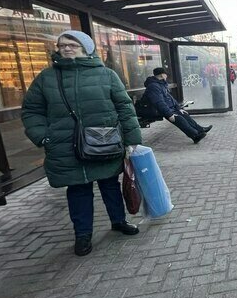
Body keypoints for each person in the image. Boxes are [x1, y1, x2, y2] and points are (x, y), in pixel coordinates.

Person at [21, 30, 142, 256]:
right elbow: (31, 110)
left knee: (110, 185)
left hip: (104, 142)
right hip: (66, 145)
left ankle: (119, 221)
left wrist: (132, 140)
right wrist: (42, 136)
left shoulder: (106, 75)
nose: (66, 48)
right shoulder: (47, 78)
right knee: (78, 190)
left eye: (72, 44)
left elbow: (125, 108)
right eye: (62, 45)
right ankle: (83, 235)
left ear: (86, 48)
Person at [143, 67, 212, 143]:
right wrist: (169, 114)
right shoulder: (153, 86)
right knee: (179, 119)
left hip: (169, 108)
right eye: (166, 74)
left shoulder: (161, 84)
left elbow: (170, 98)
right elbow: (159, 103)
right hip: (158, 110)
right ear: (162, 75)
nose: (166, 76)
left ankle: (200, 130)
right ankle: (195, 136)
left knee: (184, 115)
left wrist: (179, 108)